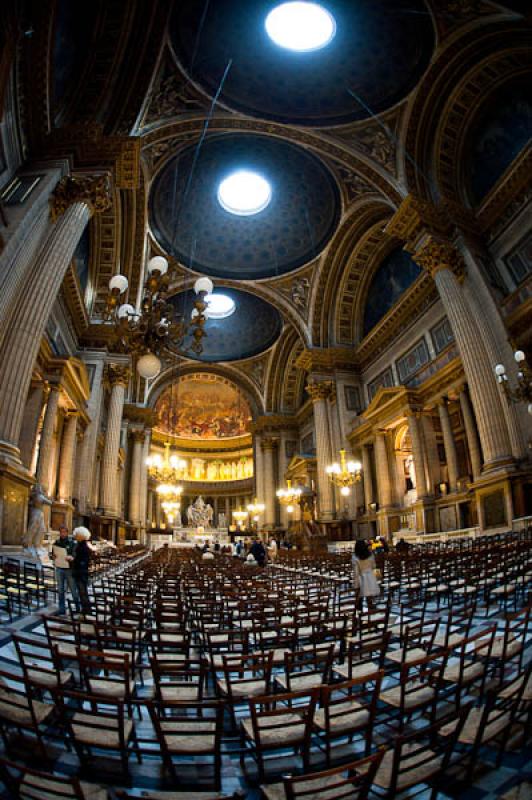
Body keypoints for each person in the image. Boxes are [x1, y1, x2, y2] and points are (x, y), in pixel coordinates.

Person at [51, 525, 79, 615]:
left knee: (73, 589)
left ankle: (78, 608)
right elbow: (53, 554)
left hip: (69, 569)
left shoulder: (72, 543)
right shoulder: (56, 542)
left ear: (67, 533)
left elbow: (75, 554)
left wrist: (72, 557)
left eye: (64, 532)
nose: (62, 533)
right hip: (59, 568)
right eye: (61, 532)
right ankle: (61, 609)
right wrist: (53, 556)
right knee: (60, 590)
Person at [352, 539, 380, 611]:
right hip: (370, 576)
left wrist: (355, 584)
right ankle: (371, 617)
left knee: (359, 600)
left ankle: (360, 616)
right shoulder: (370, 554)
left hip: (361, 577)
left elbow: (356, 572)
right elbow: (374, 566)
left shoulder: (355, 557)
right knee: (369, 599)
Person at [72, 527, 92, 613]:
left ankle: (86, 609)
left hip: (81, 573)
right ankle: (85, 608)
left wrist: (73, 560)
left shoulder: (83, 546)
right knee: (82, 592)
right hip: (80, 572)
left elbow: (83, 561)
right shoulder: (80, 544)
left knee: (83, 591)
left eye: (76, 535)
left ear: (81, 536)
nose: (75, 536)